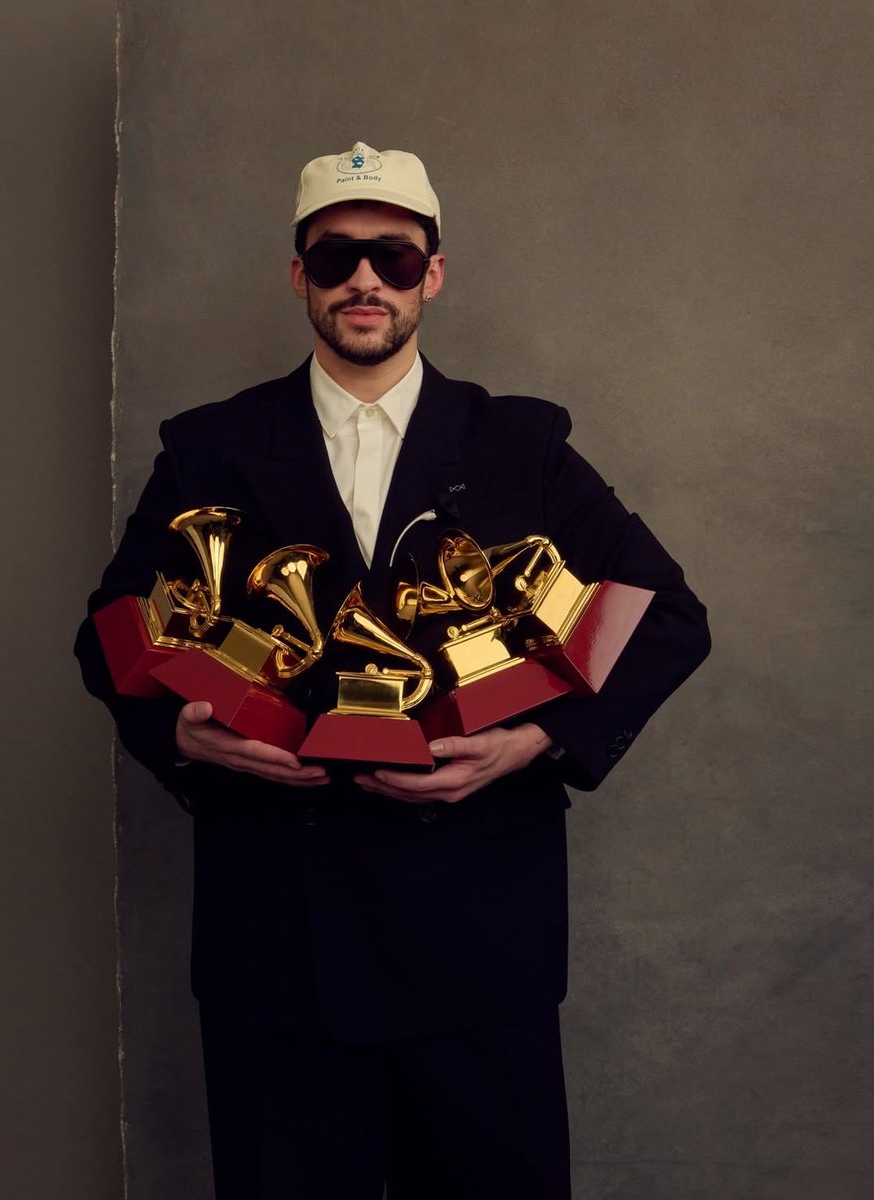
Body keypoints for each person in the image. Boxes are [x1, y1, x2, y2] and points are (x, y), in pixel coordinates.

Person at [75, 140, 711, 1200]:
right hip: (276, 941)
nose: (364, 279)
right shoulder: (209, 446)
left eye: (393, 258)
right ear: (298, 277)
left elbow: (666, 618)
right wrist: (175, 735)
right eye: (334, 259)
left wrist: (534, 740)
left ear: (433, 275)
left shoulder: (523, 445)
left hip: (478, 946)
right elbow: (109, 629)